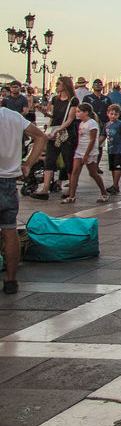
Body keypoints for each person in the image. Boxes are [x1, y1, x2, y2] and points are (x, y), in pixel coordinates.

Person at [1, 103, 45, 293]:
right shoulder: (13, 117)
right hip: (9, 182)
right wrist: (27, 165)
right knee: (10, 230)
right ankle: (11, 280)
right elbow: (41, 137)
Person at [34, 76, 78, 198]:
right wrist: (43, 112)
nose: (56, 85)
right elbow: (52, 115)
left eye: (58, 83)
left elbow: (70, 119)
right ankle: (45, 189)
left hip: (66, 134)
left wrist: (58, 129)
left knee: (68, 161)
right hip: (53, 132)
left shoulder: (73, 100)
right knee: (49, 160)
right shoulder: (55, 99)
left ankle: (71, 190)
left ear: (65, 85)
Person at [63, 103, 108, 204]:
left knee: (93, 173)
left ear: (86, 112)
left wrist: (87, 154)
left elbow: (92, 140)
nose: (77, 114)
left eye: (79, 112)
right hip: (80, 150)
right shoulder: (81, 123)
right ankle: (72, 195)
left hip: (89, 151)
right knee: (75, 172)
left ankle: (104, 192)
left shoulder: (92, 124)